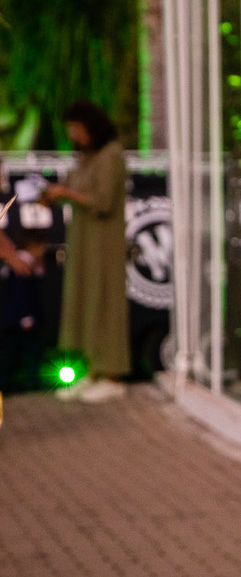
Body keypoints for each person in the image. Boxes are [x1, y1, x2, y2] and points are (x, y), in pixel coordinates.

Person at [43, 100, 130, 403]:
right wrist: (52, 195)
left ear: (91, 126)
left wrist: (67, 193)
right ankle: (91, 372)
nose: (73, 135)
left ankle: (113, 376)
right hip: (83, 244)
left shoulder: (112, 155)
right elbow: (74, 189)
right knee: (84, 303)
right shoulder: (85, 158)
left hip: (104, 245)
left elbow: (103, 201)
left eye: (76, 128)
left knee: (106, 304)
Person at [0, 227, 48, 392]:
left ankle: (28, 382)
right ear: (34, 245)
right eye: (41, 247)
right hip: (18, 320)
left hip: (18, 320)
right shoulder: (20, 265)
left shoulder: (26, 264)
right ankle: (7, 384)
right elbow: (19, 294)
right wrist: (25, 317)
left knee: (25, 352)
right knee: (13, 354)